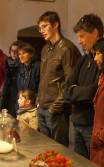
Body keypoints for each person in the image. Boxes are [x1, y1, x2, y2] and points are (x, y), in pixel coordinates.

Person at [37, 11, 81, 147]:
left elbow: (71, 81)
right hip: (42, 107)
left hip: (56, 110)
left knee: (58, 151)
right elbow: (43, 78)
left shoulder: (67, 48)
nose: (41, 31)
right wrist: (39, 102)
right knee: (44, 150)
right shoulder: (45, 49)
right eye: (40, 28)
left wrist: (54, 107)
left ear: (55, 25)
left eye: (44, 26)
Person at [65, 14, 103, 158]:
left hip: (92, 125)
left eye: (82, 36)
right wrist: (76, 91)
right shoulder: (84, 59)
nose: (79, 41)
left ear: (95, 33)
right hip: (77, 121)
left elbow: (94, 92)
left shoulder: (100, 60)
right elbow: (66, 89)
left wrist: (75, 90)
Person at [89, 38, 104, 167]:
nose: (95, 58)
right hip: (98, 144)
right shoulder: (102, 77)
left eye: (99, 53)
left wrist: (100, 135)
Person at [1, 41, 21, 117]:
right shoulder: (6, 63)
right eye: (12, 51)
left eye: (16, 51)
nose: (14, 53)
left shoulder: (22, 64)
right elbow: (2, 80)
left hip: (17, 96)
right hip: (6, 95)